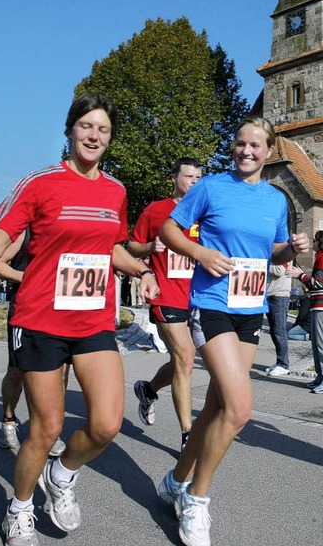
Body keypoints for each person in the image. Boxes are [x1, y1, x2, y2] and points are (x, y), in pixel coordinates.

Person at [0, 92, 159, 546]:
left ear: (110, 139)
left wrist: (143, 270)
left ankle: (64, 473)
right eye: (87, 126)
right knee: (47, 428)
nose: (94, 135)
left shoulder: (116, 191)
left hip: (92, 322)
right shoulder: (40, 183)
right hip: (42, 320)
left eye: (103, 130)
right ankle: (20, 507)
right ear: (70, 130)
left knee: (106, 424)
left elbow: (111, 247)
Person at [156, 117, 309, 546]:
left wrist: (289, 249)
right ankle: (196, 499)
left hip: (250, 307)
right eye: (240, 143)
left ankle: (173, 480)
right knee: (239, 410)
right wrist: (201, 251)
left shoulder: (275, 199)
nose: (245, 151)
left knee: (215, 408)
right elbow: (169, 229)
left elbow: (272, 250)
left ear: (269, 151)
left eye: (255, 145)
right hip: (213, 305)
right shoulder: (211, 187)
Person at [128, 157, 202, 452]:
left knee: (183, 359)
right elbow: (131, 245)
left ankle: (148, 389)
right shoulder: (156, 209)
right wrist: (150, 247)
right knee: (184, 357)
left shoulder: (204, 211)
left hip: (197, 296)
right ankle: (188, 435)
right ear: (174, 178)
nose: (195, 182)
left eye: (199, 177)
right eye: (189, 176)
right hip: (165, 294)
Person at [0, 230, 67, 457]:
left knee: (60, 370)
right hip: (27, 308)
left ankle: (48, 430)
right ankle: (8, 421)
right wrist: (28, 277)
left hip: (61, 306)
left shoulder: (70, 222)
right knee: (17, 370)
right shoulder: (28, 229)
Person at [287, 230, 323, 393]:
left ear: (322, 242)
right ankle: (321, 377)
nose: (313, 243)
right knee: (318, 343)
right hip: (321, 306)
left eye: (315, 240)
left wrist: (300, 275)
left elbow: (317, 283)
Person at [264, 261, 293, 376]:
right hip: (270, 294)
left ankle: (283, 364)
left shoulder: (285, 254)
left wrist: (263, 263)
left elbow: (279, 270)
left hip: (279, 296)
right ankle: (279, 362)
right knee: (274, 331)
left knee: (279, 331)